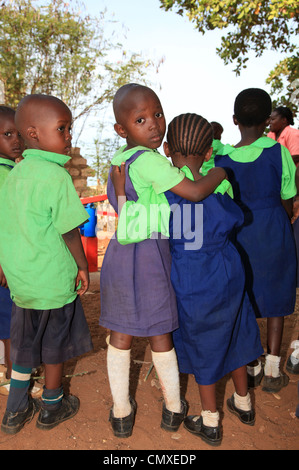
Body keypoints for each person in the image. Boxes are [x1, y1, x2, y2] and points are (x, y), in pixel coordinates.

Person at [112, 113, 264, 447]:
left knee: (203, 341)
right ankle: (244, 402)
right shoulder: (217, 181)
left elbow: (135, 221)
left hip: (190, 274)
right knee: (236, 329)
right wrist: (219, 173)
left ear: (166, 149)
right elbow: (234, 215)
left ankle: (210, 421)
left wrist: (124, 193)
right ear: (209, 152)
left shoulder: (165, 189)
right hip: (227, 265)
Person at [100, 83, 227, 438]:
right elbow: (196, 191)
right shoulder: (152, 162)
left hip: (121, 256)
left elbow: (125, 208)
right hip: (151, 256)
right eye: (141, 119)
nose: (155, 124)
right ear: (122, 130)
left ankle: (121, 413)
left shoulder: (118, 161)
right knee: (160, 334)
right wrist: (221, 173)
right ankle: (173, 407)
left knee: (119, 335)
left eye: (157, 114)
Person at [0, 94, 93, 434]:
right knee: (55, 346)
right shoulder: (55, 177)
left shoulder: (14, 176)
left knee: (24, 349)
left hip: (22, 284)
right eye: (62, 128)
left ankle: (14, 411)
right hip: (53, 283)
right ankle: (52, 406)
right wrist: (82, 265)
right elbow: (69, 230)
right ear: (34, 133)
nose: (69, 136)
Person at [214, 89, 297, 393]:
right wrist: (282, 216)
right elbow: (288, 195)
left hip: (237, 234)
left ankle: (252, 362)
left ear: (234, 120)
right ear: (267, 121)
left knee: (243, 295)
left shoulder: (222, 159)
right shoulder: (279, 152)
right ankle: (274, 369)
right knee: (276, 298)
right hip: (274, 229)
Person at [0, 106, 25, 394]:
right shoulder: (4, 174)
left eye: (18, 133)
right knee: (10, 322)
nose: (15, 140)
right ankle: (12, 378)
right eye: (7, 134)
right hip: (6, 263)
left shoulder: (12, 169)